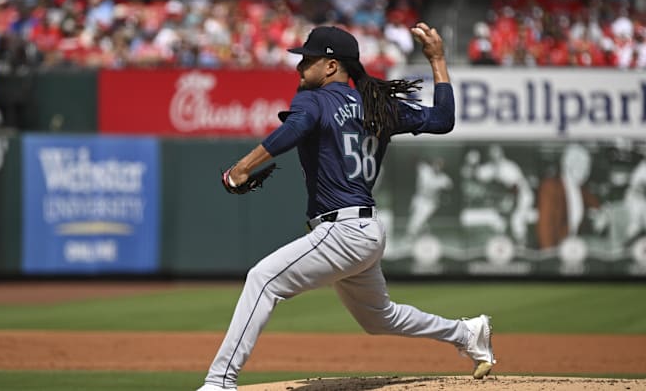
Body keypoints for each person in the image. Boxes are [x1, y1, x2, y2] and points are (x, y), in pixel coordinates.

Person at [198, 23, 495, 391]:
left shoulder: (314, 98)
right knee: (379, 318)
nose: (299, 66)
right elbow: (443, 119)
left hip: (344, 230)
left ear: (331, 65)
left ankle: (219, 382)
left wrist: (242, 167)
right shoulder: (378, 105)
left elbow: (297, 127)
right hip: (366, 231)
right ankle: (467, 333)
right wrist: (437, 60)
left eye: (306, 59)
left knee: (263, 280)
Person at [536, 144, 603, 249]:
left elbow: (597, 206)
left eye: (588, 167)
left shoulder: (581, 189)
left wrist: (601, 214)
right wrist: (548, 256)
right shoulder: (551, 187)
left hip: (575, 249)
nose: (587, 172)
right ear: (568, 165)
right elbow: (545, 226)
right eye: (583, 166)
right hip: (555, 250)